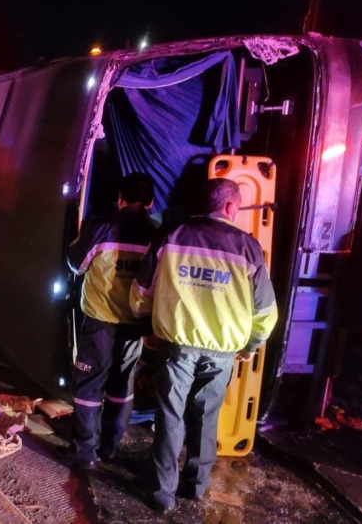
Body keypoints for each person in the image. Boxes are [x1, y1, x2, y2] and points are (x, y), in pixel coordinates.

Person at [129, 178, 278, 514]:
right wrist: (251, 344)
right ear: (228, 207)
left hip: (176, 346)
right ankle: (195, 486)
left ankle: (162, 493)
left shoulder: (172, 235)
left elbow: (141, 291)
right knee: (206, 416)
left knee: (170, 416)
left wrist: (145, 326)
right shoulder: (248, 247)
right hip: (222, 351)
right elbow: (266, 312)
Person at [64, 172, 158, 470]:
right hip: (135, 323)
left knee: (90, 384)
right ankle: (109, 448)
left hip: (99, 320)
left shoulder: (101, 226)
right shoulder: (157, 234)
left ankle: (84, 451)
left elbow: (75, 265)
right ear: (151, 203)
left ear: (120, 198)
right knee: (122, 385)